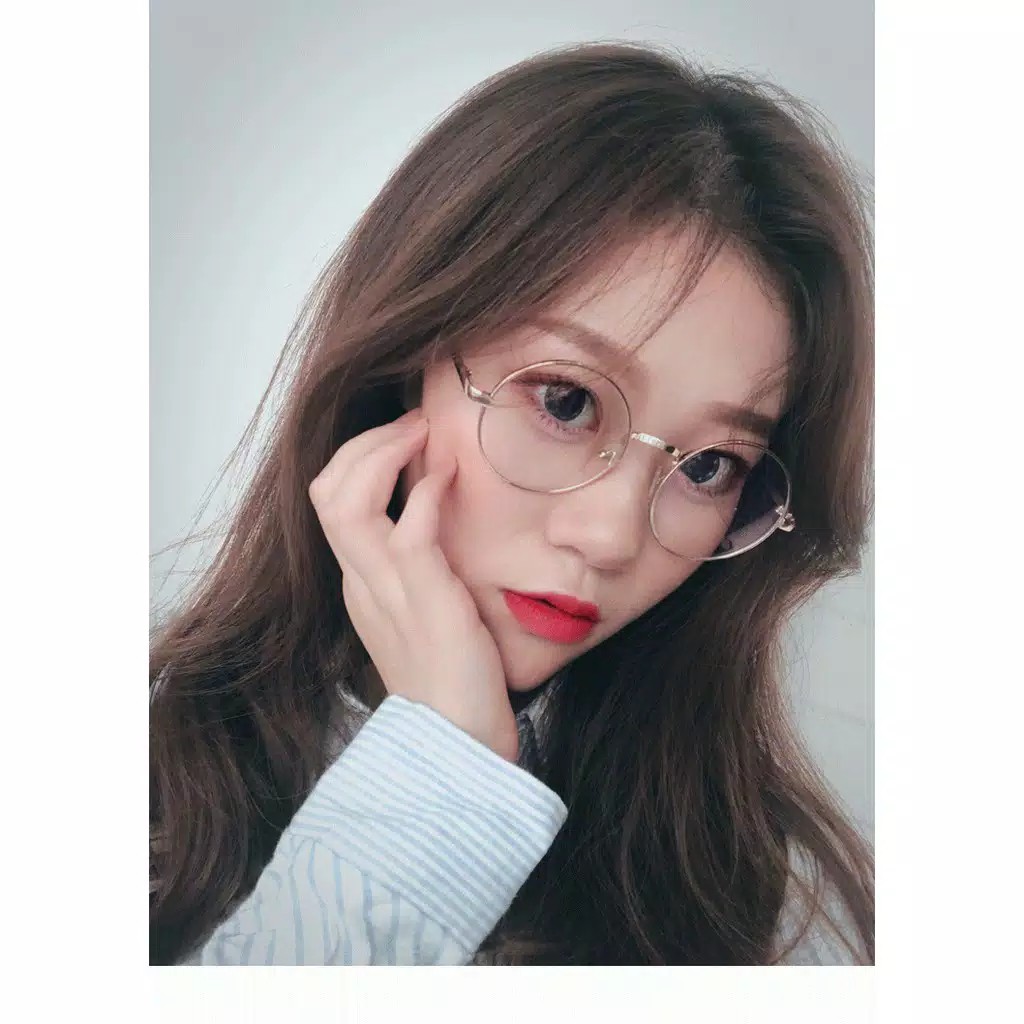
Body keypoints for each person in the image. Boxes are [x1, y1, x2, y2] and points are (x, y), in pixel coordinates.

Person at [150, 40, 874, 966]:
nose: (611, 535)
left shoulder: (765, 901)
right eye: (566, 402)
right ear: (406, 363)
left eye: (709, 467)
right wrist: (443, 761)